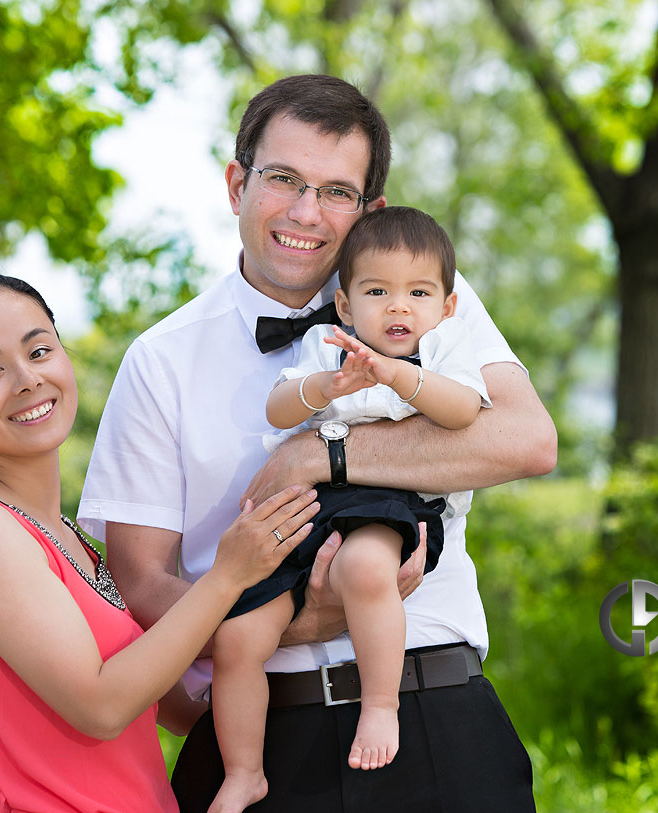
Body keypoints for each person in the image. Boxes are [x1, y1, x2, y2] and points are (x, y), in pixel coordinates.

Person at [79, 73, 556, 812]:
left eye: (337, 190)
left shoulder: (424, 301)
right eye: (282, 179)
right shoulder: (161, 358)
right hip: (256, 734)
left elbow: (528, 441)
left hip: (435, 713)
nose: (306, 211)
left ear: (373, 209)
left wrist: (324, 455)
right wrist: (302, 617)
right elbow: (140, 583)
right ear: (237, 183)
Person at [0, 272, 320, 812]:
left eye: (40, 350)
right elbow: (101, 705)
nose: (27, 380)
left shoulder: (65, 538)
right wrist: (229, 575)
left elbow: (176, 710)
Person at [209, 206, 490, 811]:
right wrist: (325, 387)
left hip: (389, 497)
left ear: (445, 306)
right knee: (236, 637)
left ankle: (381, 706)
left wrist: (397, 376)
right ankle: (242, 770)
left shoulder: (443, 349)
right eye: (377, 291)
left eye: (417, 293)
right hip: (305, 505)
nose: (397, 307)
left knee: (365, 570)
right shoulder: (326, 344)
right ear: (344, 305)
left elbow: (465, 412)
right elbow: (279, 410)